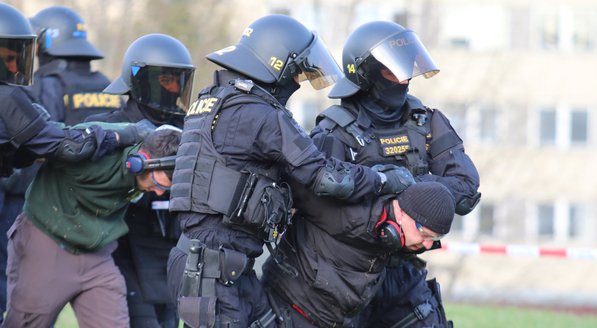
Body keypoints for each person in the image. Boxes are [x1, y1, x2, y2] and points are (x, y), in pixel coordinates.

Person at [166, 14, 415, 328]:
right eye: (296, 75)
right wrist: (382, 178)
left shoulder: (211, 101)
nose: (296, 84)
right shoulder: (259, 112)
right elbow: (327, 179)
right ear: (276, 66)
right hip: (214, 270)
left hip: (207, 262)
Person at [311, 21, 481, 327]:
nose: (404, 79)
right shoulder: (333, 131)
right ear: (368, 73)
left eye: (407, 69)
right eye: (394, 70)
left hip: (404, 274)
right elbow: (320, 208)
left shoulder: (425, 121)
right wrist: (391, 200)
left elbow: (466, 191)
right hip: (343, 275)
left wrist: (406, 190)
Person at [0, 7, 126, 319]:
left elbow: (35, 144)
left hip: (42, 205)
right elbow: (56, 144)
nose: (15, 65)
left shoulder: (41, 85)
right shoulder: (106, 84)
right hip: (84, 208)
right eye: (8, 56)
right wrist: (124, 136)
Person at [4, 127, 181, 328]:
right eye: (158, 183)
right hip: (45, 242)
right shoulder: (94, 152)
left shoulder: (144, 167)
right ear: (140, 160)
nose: (158, 192)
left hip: (97, 254)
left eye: (165, 188)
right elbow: (46, 139)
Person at [85, 33, 195, 328]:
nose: (174, 89)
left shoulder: (192, 130)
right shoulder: (110, 127)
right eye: (165, 81)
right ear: (140, 81)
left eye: (179, 81)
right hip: (124, 246)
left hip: (173, 249)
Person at [262, 181, 456, 327]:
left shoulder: (395, 235)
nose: (428, 244)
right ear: (402, 212)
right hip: (288, 309)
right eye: (424, 235)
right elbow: (299, 185)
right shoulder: (349, 212)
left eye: (435, 238)